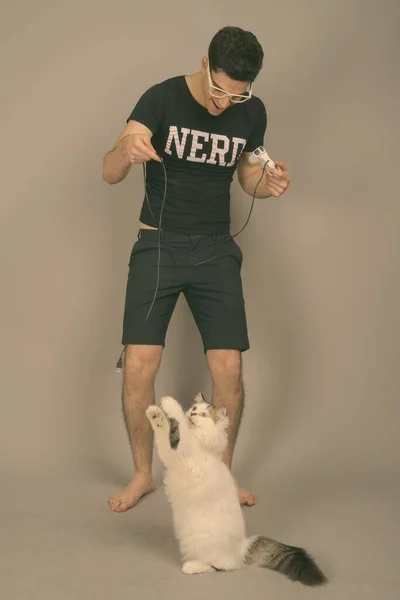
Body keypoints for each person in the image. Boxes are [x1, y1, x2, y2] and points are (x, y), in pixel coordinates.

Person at [102, 26, 290, 512]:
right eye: (220, 90)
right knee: (139, 365)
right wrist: (127, 150)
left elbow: (247, 174)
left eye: (239, 94)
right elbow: (109, 168)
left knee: (228, 368)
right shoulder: (161, 97)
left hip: (215, 249)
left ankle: (222, 474)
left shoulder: (253, 110)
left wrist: (263, 186)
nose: (227, 103)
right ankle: (143, 473)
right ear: (204, 64)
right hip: (158, 245)